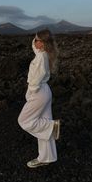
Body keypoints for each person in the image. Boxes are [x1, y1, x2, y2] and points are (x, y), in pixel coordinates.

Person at [18, 29, 61, 168]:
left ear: (42, 44)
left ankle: (51, 126)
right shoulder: (43, 53)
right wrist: (36, 38)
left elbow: (36, 80)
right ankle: (46, 157)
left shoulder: (41, 57)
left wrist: (30, 92)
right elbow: (34, 47)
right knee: (42, 126)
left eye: (37, 40)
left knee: (24, 120)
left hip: (38, 93)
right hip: (45, 91)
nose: (34, 42)